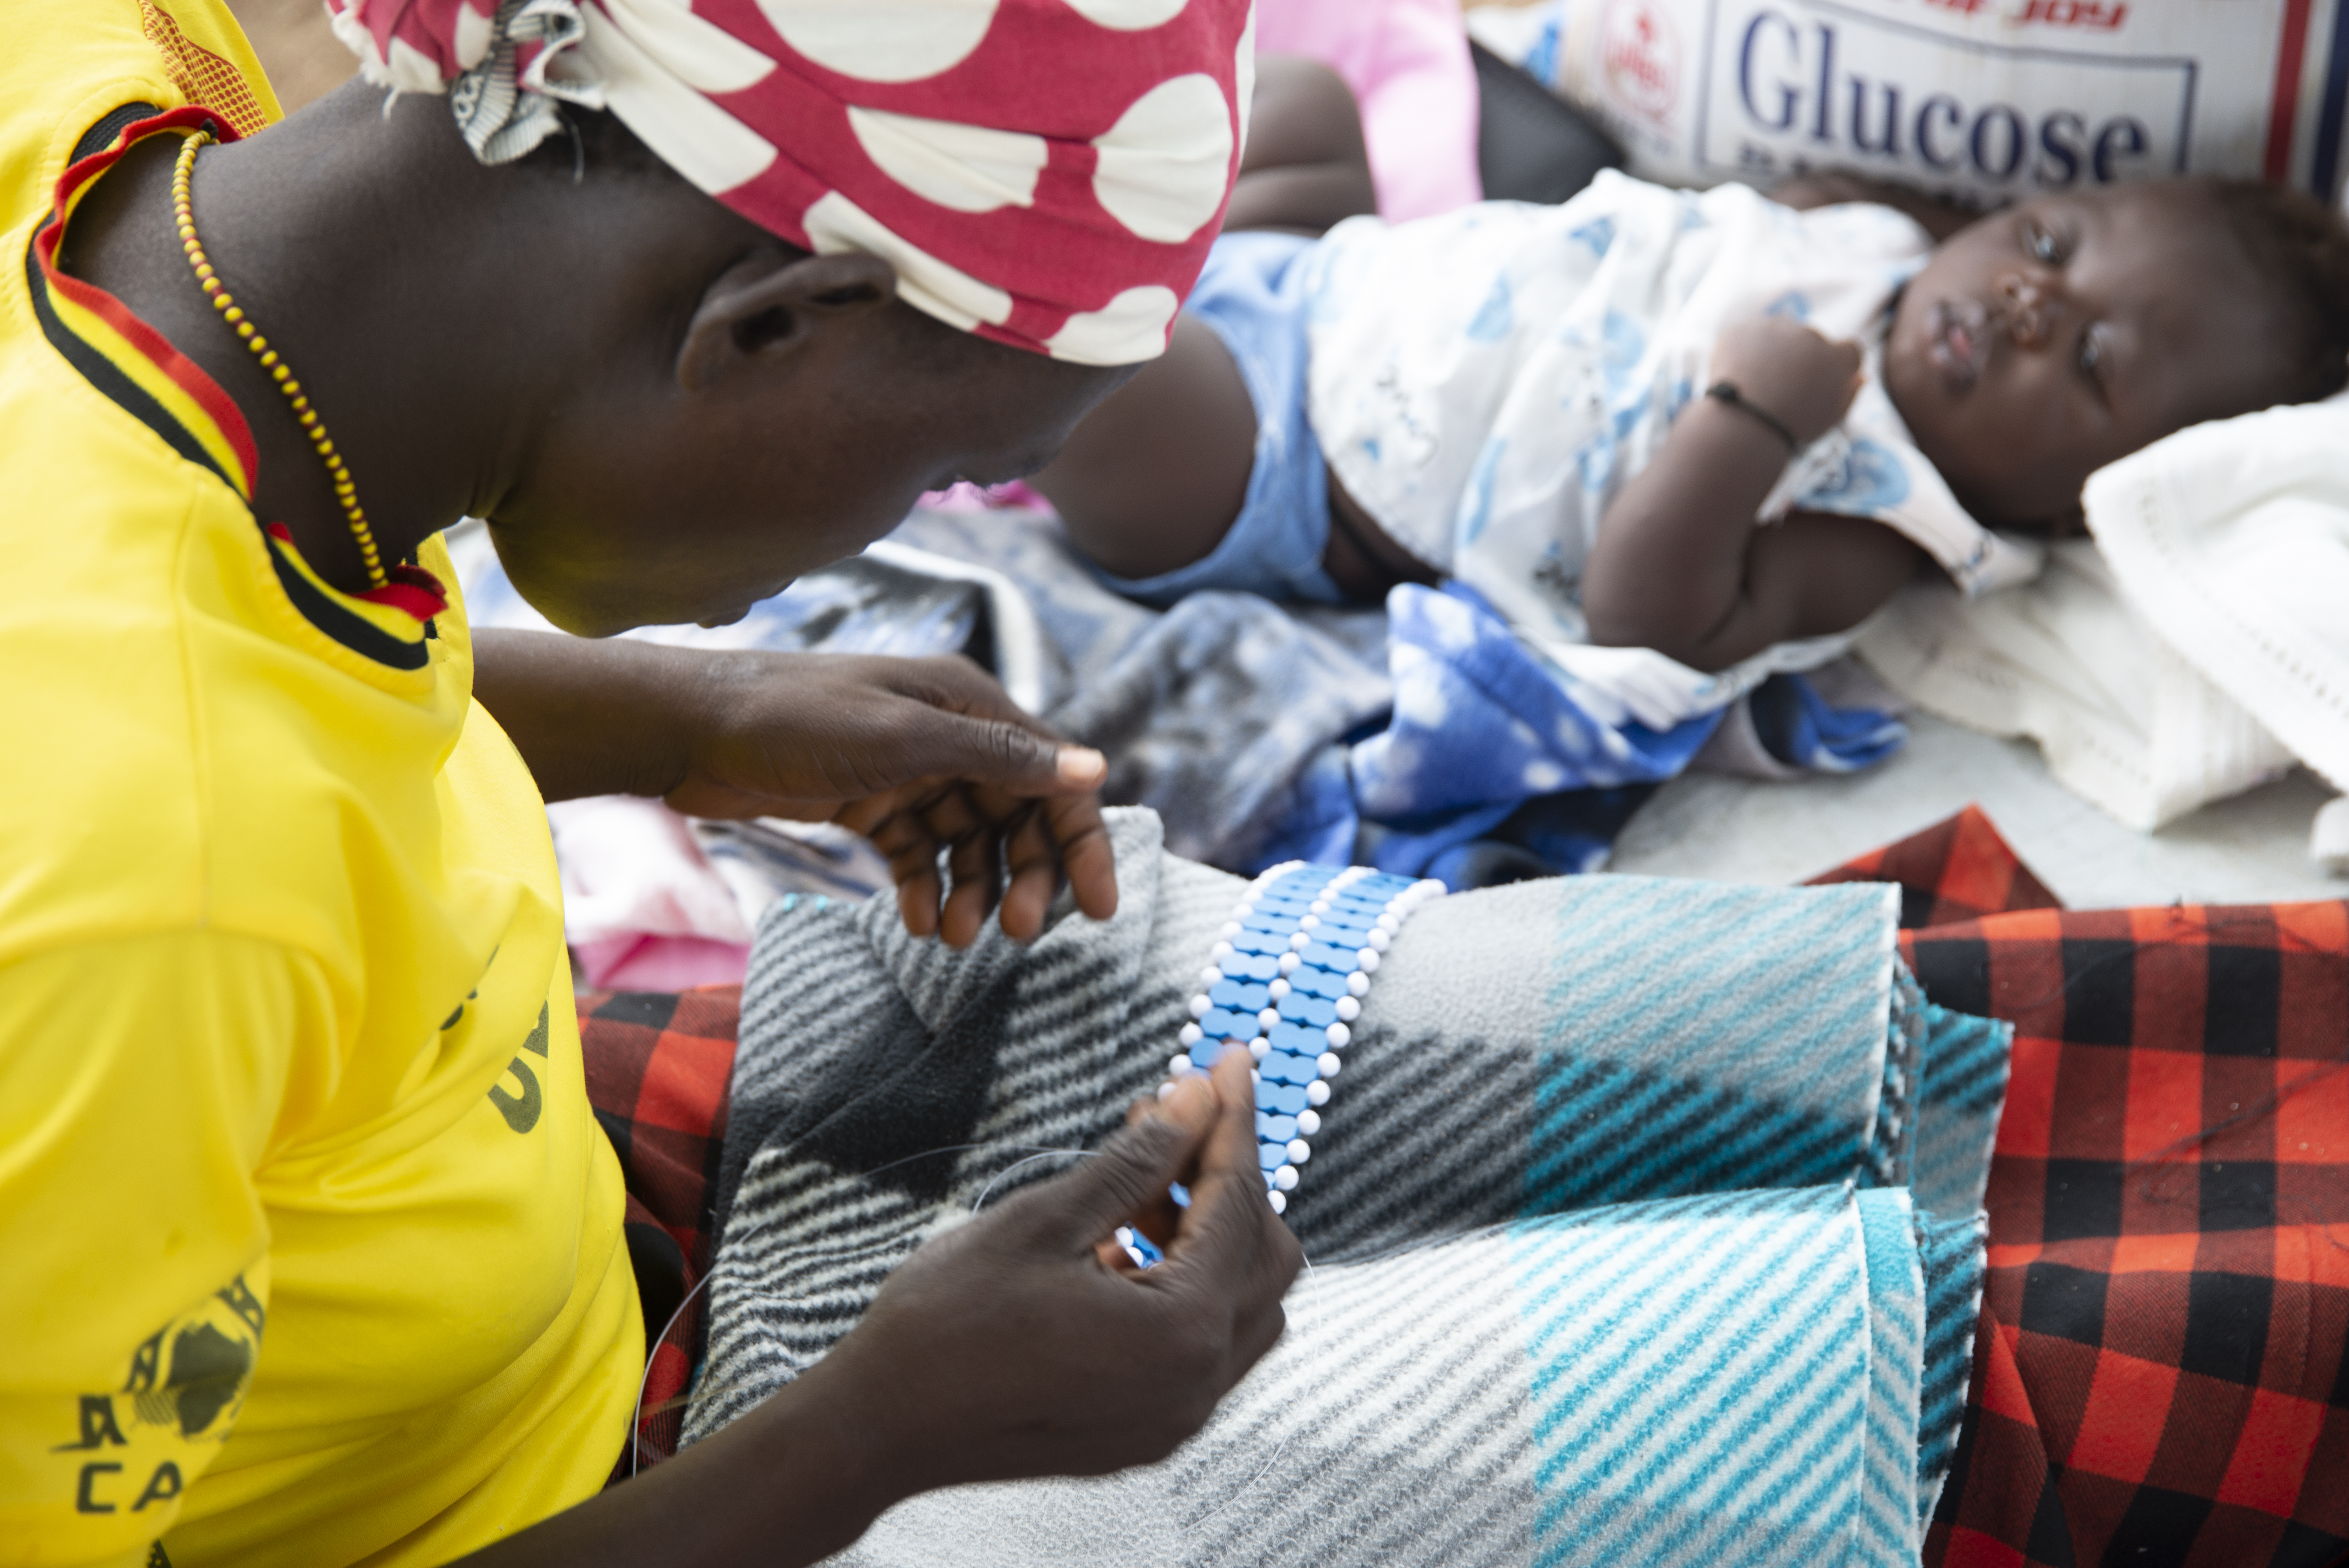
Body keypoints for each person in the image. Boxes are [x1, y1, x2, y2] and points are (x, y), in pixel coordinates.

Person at [0, 2, 1304, 1565]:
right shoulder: (142, 901)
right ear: (766, 321)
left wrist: (692, 722)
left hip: (545, 1179)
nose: (882, 532)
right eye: (935, 471)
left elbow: (223, 651)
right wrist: (871, 1435)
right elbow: (166, 770)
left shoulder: (102, 86)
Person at [1029, 134, 2349, 684]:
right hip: (1340, 277)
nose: (2026, 305)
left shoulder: (1882, 525)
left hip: (1286, 466)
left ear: (2073, 504)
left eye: (2093, 364)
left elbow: (1650, 624)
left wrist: (1749, 425)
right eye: (2051, 246)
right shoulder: (1879, 244)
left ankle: (1016, 304)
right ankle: (1131, 258)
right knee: (1302, 102)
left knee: (1094, 385)